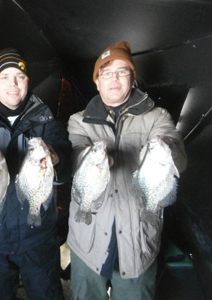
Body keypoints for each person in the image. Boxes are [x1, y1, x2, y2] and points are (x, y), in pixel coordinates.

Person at [67, 41, 187, 300]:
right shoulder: (78, 121)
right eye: (106, 73)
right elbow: (76, 155)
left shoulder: (157, 117)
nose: (114, 79)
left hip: (138, 241)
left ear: (132, 79)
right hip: (87, 241)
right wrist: (91, 159)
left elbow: (179, 158)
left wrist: (164, 151)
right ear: (97, 81)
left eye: (122, 72)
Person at [0, 48, 72, 300]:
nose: (13, 84)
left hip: (38, 237)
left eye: (19, 76)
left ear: (28, 81)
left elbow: (65, 169)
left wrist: (56, 158)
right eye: (5, 76)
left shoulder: (46, 118)